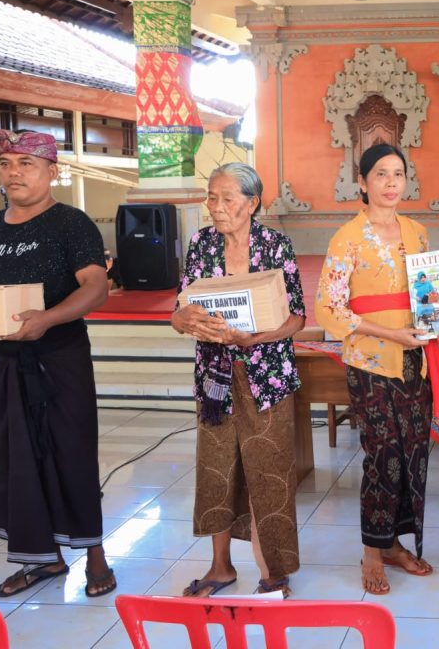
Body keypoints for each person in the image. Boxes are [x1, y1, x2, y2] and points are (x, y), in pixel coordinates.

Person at [0, 129, 116, 599]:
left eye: (26, 163)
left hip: (58, 361)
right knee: (14, 462)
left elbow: (95, 287)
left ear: (52, 172)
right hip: (2, 363)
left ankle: (97, 556)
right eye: (7, 164)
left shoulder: (71, 224)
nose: (14, 172)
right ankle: (42, 560)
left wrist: (47, 319)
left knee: (73, 455)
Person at [316, 143, 439, 595]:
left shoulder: (418, 232)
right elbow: (329, 309)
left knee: (414, 453)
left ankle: (394, 544)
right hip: (371, 362)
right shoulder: (346, 237)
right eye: (381, 175)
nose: (392, 183)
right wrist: (391, 335)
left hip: (416, 361)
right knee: (382, 455)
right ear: (363, 182)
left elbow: (431, 295)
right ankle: (372, 551)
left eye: (398, 174)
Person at [172, 163, 305, 598]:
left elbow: (296, 317)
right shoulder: (200, 245)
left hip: (266, 376)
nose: (217, 207)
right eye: (212, 197)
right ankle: (220, 567)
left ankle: (272, 570)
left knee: (268, 470)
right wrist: (182, 318)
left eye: (227, 198)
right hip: (215, 380)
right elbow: (180, 310)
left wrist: (252, 339)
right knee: (217, 468)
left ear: (251, 203)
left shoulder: (275, 246)